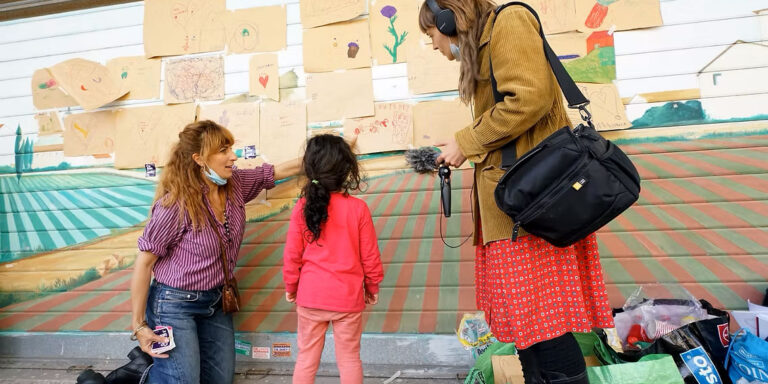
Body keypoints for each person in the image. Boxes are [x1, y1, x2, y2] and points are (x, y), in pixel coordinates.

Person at [419, 1, 614, 383]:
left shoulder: (509, 22)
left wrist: (466, 142)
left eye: (431, 35)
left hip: (530, 210)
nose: (433, 45)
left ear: (448, 19)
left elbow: (528, 97)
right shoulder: (488, 41)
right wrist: (465, 145)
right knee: (529, 334)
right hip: (512, 210)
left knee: (545, 331)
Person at [129, 120, 301, 384]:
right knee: (183, 381)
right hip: (174, 304)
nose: (233, 156)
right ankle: (138, 376)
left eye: (231, 148)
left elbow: (273, 173)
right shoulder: (176, 204)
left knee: (219, 379)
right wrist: (139, 325)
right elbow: (144, 264)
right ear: (199, 158)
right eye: (223, 150)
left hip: (217, 301)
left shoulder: (235, 185)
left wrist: (325, 154)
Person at [282, 134, 384, 384]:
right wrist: (371, 287)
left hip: (311, 297)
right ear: (347, 170)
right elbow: (370, 257)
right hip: (348, 299)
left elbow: (292, 256)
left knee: (306, 358)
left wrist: (291, 287)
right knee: (350, 358)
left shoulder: (301, 207)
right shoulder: (358, 209)